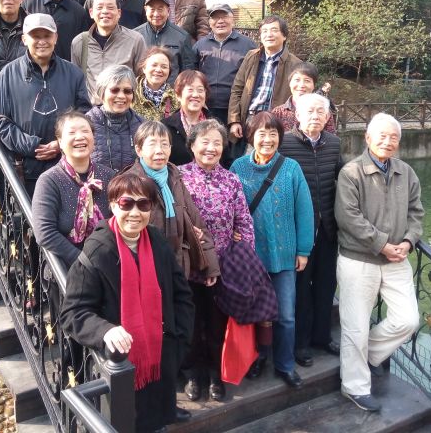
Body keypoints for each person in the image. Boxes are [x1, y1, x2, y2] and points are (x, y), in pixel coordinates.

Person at [60, 173, 195, 433]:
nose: (135, 212)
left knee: (156, 425)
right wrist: (105, 330)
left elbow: (182, 295)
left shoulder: (157, 241)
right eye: (126, 203)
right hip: (119, 365)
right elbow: (73, 312)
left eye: (143, 204)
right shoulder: (98, 251)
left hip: (160, 360)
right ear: (113, 205)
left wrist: (178, 341)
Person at [334, 113, 423, 412]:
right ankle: (355, 387)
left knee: (408, 320)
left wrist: (408, 241)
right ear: (368, 138)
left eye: (393, 137)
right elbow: (348, 217)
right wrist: (382, 244)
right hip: (359, 259)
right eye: (382, 136)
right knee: (355, 327)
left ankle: (367, 354)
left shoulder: (406, 172)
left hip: (397, 258)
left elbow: (416, 212)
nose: (388, 141)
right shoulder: (352, 172)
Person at [230, 112, 313, 389]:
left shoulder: (291, 168)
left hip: (284, 254)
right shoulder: (238, 168)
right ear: (251, 137)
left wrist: (303, 250)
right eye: (261, 134)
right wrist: (232, 232)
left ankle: (285, 364)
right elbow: (230, 207)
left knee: (286, 315)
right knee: (255, 313)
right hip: (250, 256)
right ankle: (258, 358)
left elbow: (305, 211)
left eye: (273, 134)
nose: (267, 139)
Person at [179, 119, 255, 402]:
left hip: (222, 266)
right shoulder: (179, 176)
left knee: (216, 323)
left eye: (217, 143)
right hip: (188, 266)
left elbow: (244, 221)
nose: (211, 148)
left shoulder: (231, 180)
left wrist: (244, 258)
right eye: (205, 142)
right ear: (192, 145)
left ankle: (215, 374)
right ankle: (191, 373)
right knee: (190, 322)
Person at [0, 13, 91, 196]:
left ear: (56, 38)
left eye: (47, 35)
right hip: (25, 169)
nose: (42, 41)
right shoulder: (8, 73)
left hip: (67, 167)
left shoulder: (74, 73)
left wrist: (61, 144)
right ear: (24, 39)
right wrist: (32, 146)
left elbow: (84, 115)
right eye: (35, 36)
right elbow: (1, 121)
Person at [278, 94, 344, 369]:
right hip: (298, 231)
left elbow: (344, 179)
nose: (315, 116)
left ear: (328, 117)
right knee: (301, 288)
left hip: (328, 227)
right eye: (310, 111)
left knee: (327, 284)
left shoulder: (334, 143)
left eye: (320, 111)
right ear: (297, 115)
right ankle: (301, 343)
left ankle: (322, 336)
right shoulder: (284, 143)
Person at [127, 121, 220, 282]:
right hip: (145, 266)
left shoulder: (174, 177)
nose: (159, 150)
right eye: (152, 144)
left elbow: (196, 220)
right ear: (139, 150)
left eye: (165, 144)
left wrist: (210, 265)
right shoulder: (130, 182)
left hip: (178, 264)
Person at [32, 111, 115, 268]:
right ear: (60, 142)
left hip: (107, 263)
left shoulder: (108, 176)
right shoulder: (49, 180)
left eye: (85, 131)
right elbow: (44, 233)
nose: (80, 137)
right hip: (67, 268)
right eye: (72, 133)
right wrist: (84, 262)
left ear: (93, 138)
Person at [228, 15, 302, 142]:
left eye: (274, 30)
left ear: (284, 36)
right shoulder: (251, 56)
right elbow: (237, 89)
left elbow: (299, 98)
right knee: (247, 154)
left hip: (277, 121)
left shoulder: (296, 64)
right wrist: (234, 120)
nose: (269, 34)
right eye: (265, 31)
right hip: (250, 118)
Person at [71, 0, 146, 104]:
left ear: (119, 13)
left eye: (110, 8)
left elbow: (142, 81)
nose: (105, 11)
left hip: (123, 107)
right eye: (99, 7)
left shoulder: (135, 40)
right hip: (90, 110)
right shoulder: (80, 42)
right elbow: (75, 81)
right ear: (91, 13)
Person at [193, 4, 256, 127]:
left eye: (224, 17)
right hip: (205, 106)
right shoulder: (200, 45)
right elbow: (193, 74)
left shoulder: (248, 45)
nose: (220, 21)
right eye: (216, 17)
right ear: (209, 22)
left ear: (233, 20)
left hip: (236, 108)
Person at [22, 0, 88, 61]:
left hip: (65, 66)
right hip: (31, 64)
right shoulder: (28, 3)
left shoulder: (79, 11)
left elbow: (82, 46)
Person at [86, 65, 145, 172]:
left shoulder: (143, 126)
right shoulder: (85, 124)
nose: (121, 96)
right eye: (114, 90)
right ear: (102, 92)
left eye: (127, 91)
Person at [133, 0, 196, 83]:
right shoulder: (135, 35)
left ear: (168, 10)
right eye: (152, 9)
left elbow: (188, 71)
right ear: (145, 10)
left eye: (160, 9)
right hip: (140, 90)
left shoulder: (182, 36)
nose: (156, 14)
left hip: (171, 91)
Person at [272, 62, 337, 134]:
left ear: (314, 85)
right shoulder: (278, 112)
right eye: (297, 80)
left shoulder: (323, 111)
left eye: (307, 81)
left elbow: (331, 138)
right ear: (290, 83)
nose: (301, 85)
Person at [163, 70, 210, 166]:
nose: (196, 95)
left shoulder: (215, 125)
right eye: (190, 90)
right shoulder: (166, 127)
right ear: (178, 95)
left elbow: (225, 162)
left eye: (200, 90)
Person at [132, 47, 180, 122]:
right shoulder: (131, 92)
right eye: (154, 65)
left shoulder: (176, 99)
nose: (158, 70)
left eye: (164, 67)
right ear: (144, 68)